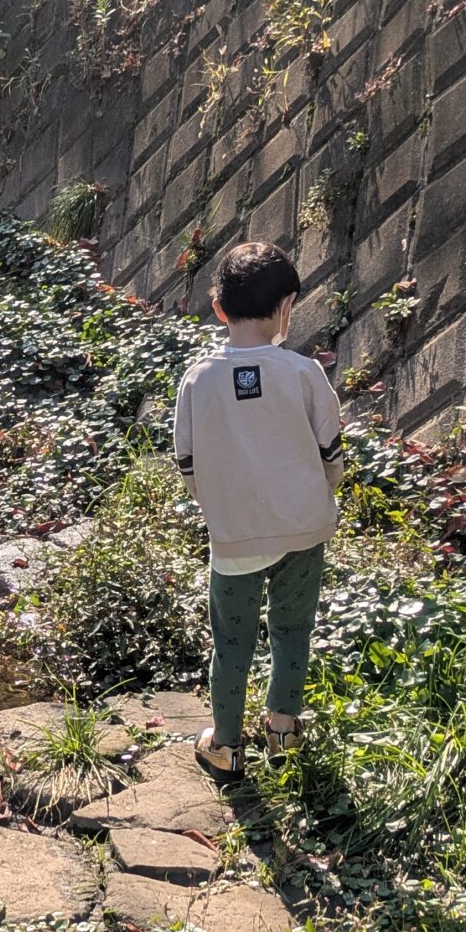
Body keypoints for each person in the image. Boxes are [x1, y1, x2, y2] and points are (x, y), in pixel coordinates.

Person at [170, 241, 344, 779]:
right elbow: (331, 453)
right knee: (293, 627)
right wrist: (320, 493)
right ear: (287, 305)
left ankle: (225, 746)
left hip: (236, 538)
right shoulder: (304, 373)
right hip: (304, 530)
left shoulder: (199, 378)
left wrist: (218, 504)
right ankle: (283, 731)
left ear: (219, 308)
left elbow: (187, 463)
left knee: (232, 641)